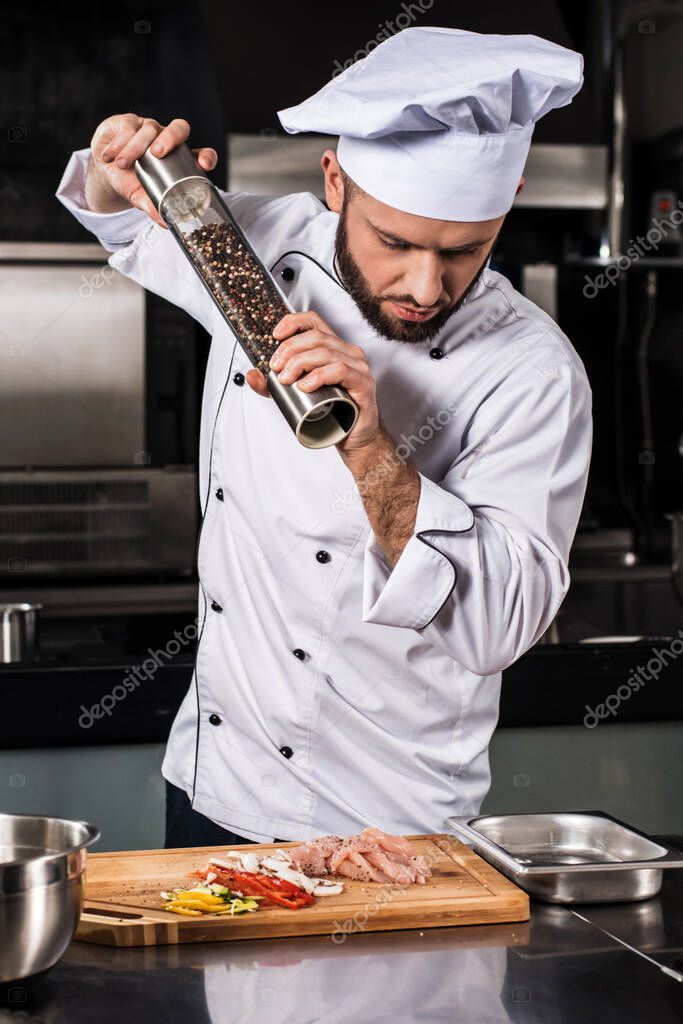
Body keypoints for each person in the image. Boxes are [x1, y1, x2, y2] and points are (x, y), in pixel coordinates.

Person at [57, 26, 592, 847]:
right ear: (334, 183)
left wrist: (370, 447)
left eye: (464, 252)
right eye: (396, 243)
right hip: (213, 784)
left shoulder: (532, 372)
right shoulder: (259, 250)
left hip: (386, 823)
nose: (424, 286)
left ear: (509, 197)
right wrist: (109, 171)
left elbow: (496, 628)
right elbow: (126, 227)